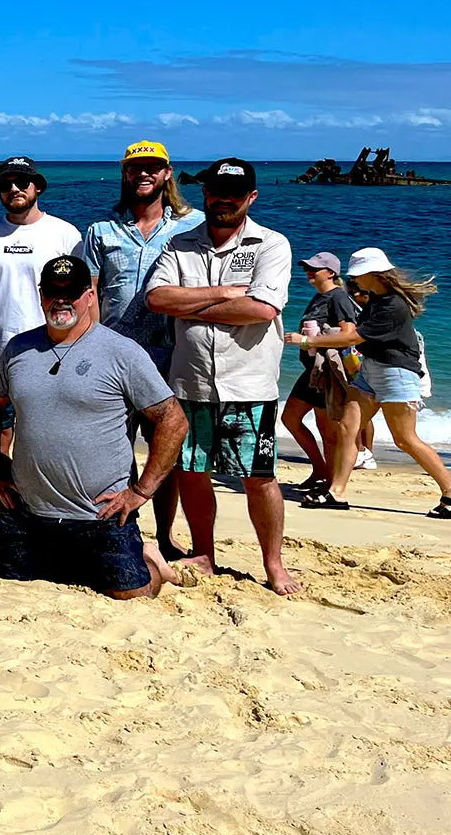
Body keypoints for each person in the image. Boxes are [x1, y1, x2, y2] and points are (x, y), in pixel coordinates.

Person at [0, 256, 191, 599]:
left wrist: (141, 491)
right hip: (28, 514)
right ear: (41, 295)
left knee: (131, 595)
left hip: (102, 516)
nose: (61, 300)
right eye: (53, 291)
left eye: (72, 292)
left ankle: (152, 559)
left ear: (90, 296)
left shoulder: (122, 352)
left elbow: (173, 420)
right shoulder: (18, 349)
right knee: (10, 587)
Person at [145, 158, 299, 595]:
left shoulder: (271, 244)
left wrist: (190, 305)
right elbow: (157, 298)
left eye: (235, 192)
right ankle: (204, 553)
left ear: (251, 197)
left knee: (259, 477)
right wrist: (222, 294)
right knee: (192, 471)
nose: (224, 199)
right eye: (217, 190)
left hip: (249, 382)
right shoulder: (180, 244)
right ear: (206, 193)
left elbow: (262, 309)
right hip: (189, 381)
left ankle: (273, 564)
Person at [77, 139, 204, 563]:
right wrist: (88, 348)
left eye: (152, 167)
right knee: (112, 449)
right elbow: (89, 295)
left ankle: (165, 535)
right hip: (114, 358)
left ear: (167, 173)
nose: (143, 173)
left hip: (173, 355)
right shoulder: (102, 230)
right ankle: (118, 529)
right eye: (135, 167)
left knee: (166, 452)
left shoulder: (193, 226)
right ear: (125, 173)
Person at [287, 247, 451, 518]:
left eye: (358, 275)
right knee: (347, 429)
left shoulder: (393, 305)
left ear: (373, 274)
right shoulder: (376, 299)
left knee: (405, 439)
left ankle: (449, 491)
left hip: (397, 374)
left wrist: (308, 340)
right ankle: (336, 492)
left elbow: (354, 338)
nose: (354, 280)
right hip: (370, 372)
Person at [0, 157, 81, 364]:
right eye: (5, 185)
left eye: (22, 182)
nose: (14, 189)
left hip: (49, 350)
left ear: (37, 187)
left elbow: (82, 295)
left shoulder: (66, 233)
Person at [279, 252, 361, 490]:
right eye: (307, 267)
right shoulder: (320, 297)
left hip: (327, 371)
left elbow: (348, 335)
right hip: (313, 370)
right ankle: (321, 469)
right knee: (291, 418)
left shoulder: (338, 297)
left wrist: (306, 340)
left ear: (331, 273)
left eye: (315, 268)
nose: (309, 271)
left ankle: (331, 482)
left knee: (327, 430)